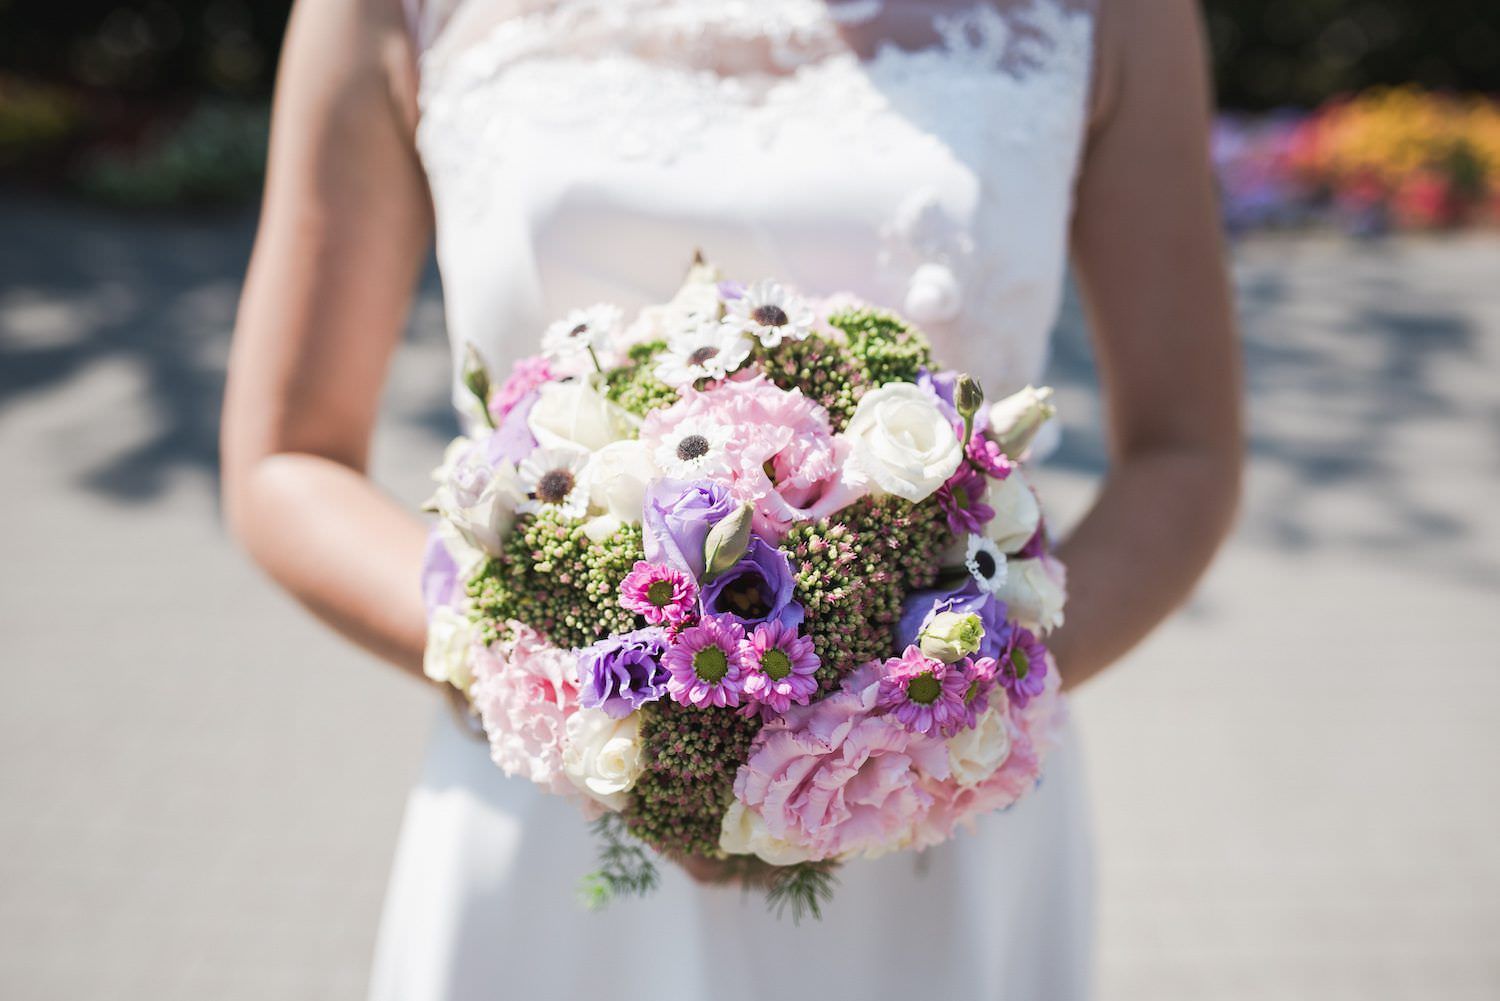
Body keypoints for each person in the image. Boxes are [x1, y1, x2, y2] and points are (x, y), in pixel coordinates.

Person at [221, 0, 1242, 997]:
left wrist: (919, 725)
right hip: (559, 791)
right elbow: (286, 456)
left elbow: (1184, 450)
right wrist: (545, 680)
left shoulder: (1117, 15)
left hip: (932, 817)